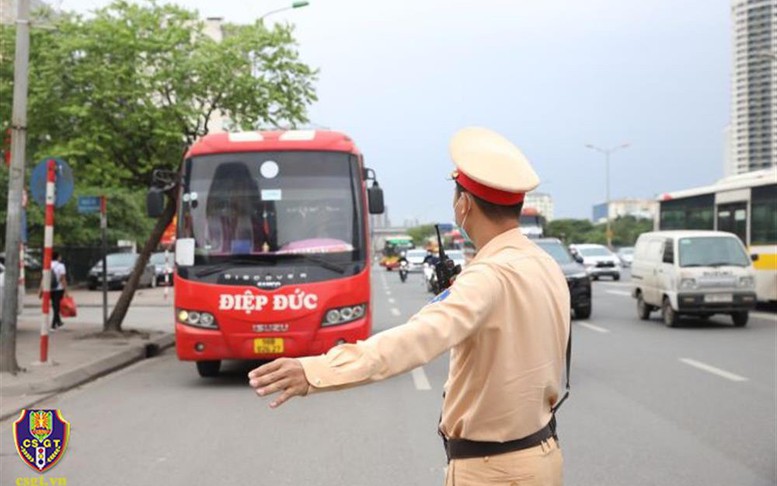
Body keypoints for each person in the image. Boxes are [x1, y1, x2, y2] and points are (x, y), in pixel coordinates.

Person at [248, 127, 571, 485]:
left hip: (493, 472)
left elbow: (414, 339)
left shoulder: (486, 278)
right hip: (541, 456)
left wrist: (315, 371)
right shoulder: (545, 264)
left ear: (463, 204)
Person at [40, 251, 68, 329]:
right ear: (58, 257)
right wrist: (66, 290)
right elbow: (63, 279)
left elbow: (43, 278)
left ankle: (58, 321)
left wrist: (41, 290)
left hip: (49, 288)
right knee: (57, 306)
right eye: (60, 256)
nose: (61, 258)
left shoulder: (47, 265)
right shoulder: (61, 266)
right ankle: (53, 324)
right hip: (58, 288)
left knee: (54, 305)